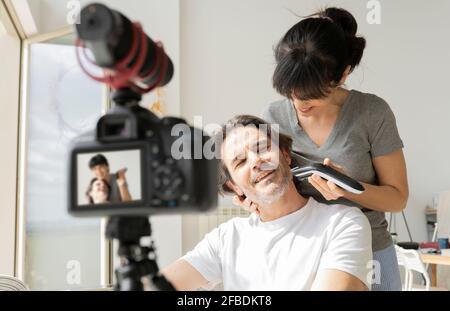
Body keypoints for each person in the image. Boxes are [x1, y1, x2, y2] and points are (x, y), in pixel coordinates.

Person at [237, 7, 407, 291]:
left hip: (369, 252)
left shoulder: (372, 112)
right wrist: (254, 200)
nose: (299, 103)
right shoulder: (274, 116)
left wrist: (347, 188)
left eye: (312, 95)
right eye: (291, 92)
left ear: (343, 74)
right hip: (300, 250)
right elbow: (271, 191)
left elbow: (398, 199)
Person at [161, 115, 372, 291]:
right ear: (234, 187)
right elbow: (159, 285)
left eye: (262, 148)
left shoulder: (342, 222)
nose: (256, 161)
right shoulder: (227, 238)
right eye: (240, 161)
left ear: (285, 155)